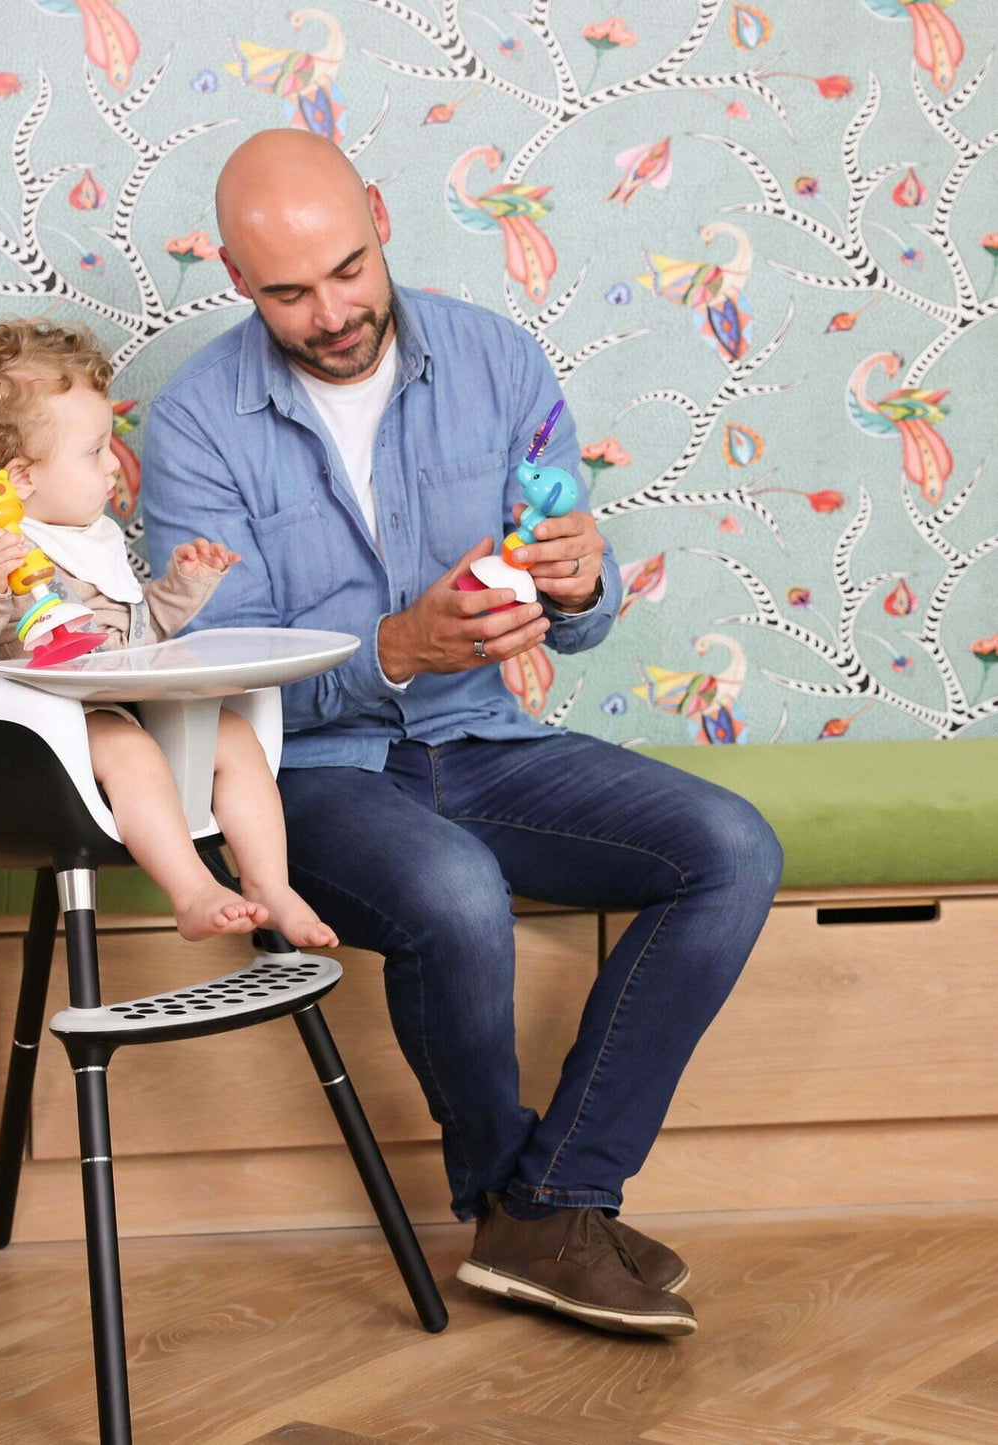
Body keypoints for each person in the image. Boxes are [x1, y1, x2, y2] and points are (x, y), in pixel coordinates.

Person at [141, 131, 784, 1338]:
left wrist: (582, 585)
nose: (330, 312)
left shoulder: (497, 358)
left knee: (729, 848)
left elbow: (570, 614)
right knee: (453, 888)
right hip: (301, 779)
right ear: (233, 276)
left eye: (347, 267)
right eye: (287, 291)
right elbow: (209, 677)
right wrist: (390, 647)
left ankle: (552, 1199)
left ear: (379, 217)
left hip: (482, 738)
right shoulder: (191, 424)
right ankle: (519, 1208)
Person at [0, 317, 337, 950]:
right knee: (130, 749)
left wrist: (181, 588)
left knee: (233, 734)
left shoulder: (91, 538)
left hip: (115, 706)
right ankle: (194, 891)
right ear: (22, 479)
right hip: (35, 742)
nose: (115, 463)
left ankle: (269, 885)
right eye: (94, 452)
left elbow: (131, 642)